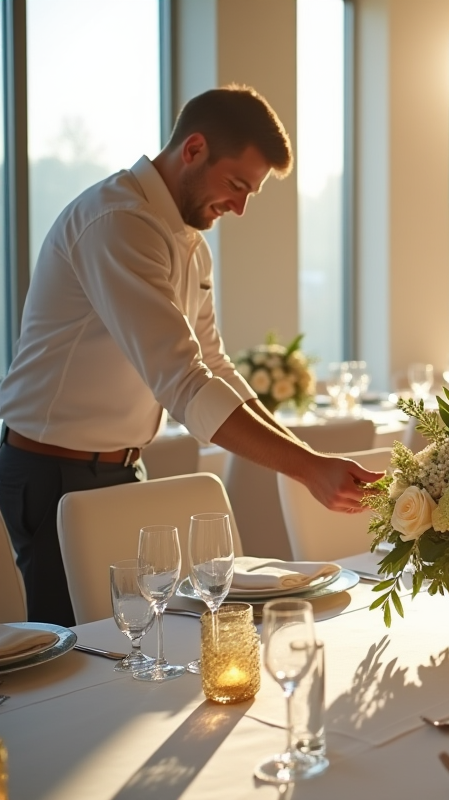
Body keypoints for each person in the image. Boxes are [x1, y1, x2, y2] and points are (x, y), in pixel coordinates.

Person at [0, 86, 383, 626]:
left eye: (251, 193)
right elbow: (182, 381)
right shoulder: (117, 222)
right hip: (51, 471)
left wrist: (309, 458)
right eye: (236, 184)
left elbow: (215, 365)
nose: (241, 207)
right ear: (194, 148)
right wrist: (307, 469)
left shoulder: (188, 242)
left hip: (123, 467)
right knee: (77, 655)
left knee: (138, 640)